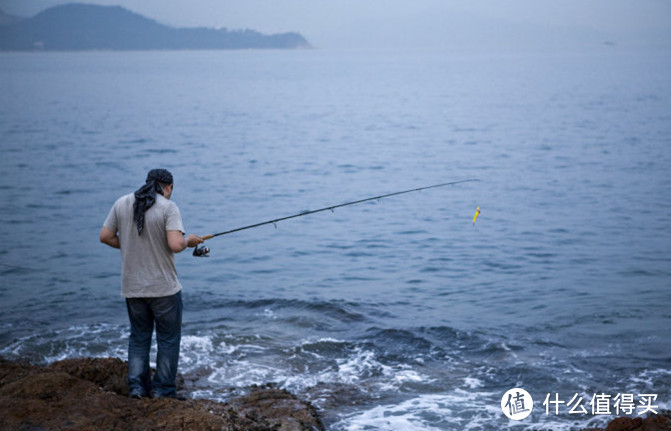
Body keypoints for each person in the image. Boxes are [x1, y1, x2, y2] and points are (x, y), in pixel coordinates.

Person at [99, 168, 203, 399]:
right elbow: (176, 244)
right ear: (169, 187)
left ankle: (137, 388)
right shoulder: (168, 207)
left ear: (147, 183)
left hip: (132, 287)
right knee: (167, 339)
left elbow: (105, 236)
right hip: (163, 288)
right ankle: (163, 390)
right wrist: (191, 240)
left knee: (139, 338)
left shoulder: (122, 202)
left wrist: (127, 244)